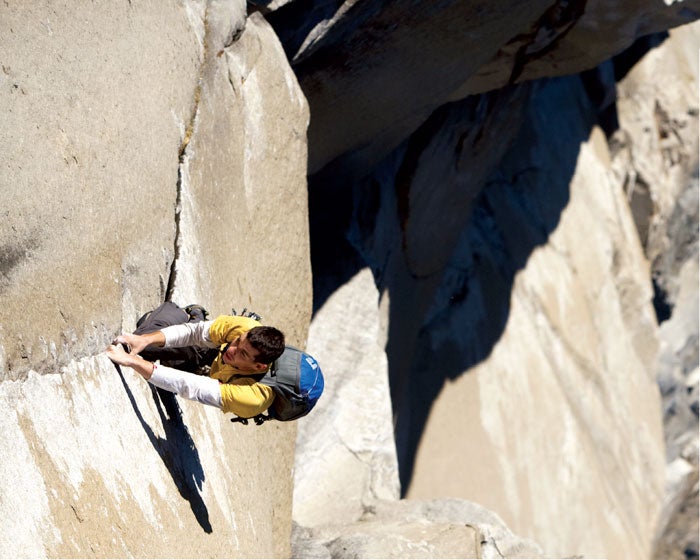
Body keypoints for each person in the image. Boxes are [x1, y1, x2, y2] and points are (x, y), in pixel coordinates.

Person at [106, 307, 285, 419]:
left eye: (243, 353)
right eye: (237, 341)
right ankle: (194, 314)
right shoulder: (245, 326)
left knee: (148, 357)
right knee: (146, 338)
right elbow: (195, 333)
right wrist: (145, 339)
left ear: (259, 367)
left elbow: (191, 387)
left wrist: (132, 361)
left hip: (222, 381)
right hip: (211, 352)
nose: (232, 349)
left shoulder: (252, 397)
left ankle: (194, 365)